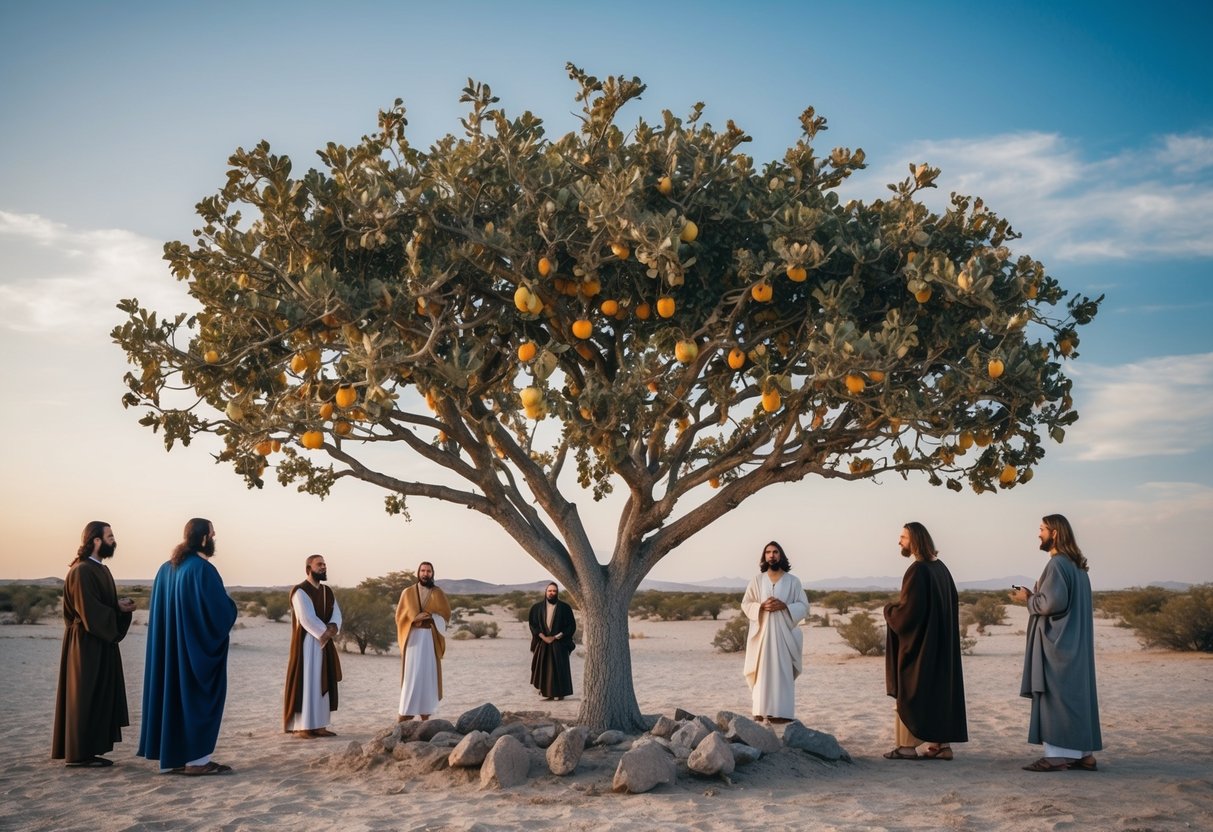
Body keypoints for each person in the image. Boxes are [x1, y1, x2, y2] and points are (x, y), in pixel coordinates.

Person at [137, 518, 238, 775]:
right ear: (204, 538)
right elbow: (219, 614)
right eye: (213, 534)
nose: (215, 539)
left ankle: (177, 757)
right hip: (193, 652)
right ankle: (197, 761)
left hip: (170, 653)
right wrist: (232, 607)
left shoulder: (165, 569)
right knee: (196, 699)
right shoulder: (203, 569)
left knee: (172, 697)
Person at [1010, 514, 1103, 772]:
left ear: (1056, 534)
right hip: (1075, 642)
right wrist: (1034, 595)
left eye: (1042, 529)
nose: (1038, 534)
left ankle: (1057, 756)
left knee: (1057, 696)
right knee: (1076, 696)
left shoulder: (1057, 564)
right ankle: (1084, 754)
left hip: (1059, 645)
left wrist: (1026, 599)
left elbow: (1051, 604)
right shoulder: (1077, 567)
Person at [52, 521, 137, 768]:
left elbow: (103, 606)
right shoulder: (81, 571)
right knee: (85, 695)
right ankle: (79, 754)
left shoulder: (100, 569)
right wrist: (115, 611)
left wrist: (119, 608)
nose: (114, 540)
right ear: (96, 541)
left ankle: (90, 750)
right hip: (85, 645)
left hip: (99, 642)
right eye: (109, 536)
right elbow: (89, 612)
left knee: (98, 695)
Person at [882, 522, 968, 760]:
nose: (899, 542)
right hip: (940, 645)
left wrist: (890, 610)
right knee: (938, 690)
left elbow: (909, 614)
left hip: (921, 647)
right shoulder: (941, 568)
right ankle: (942, 745)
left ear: (915, 540)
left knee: (911, 690)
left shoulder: (918, 570)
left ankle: (907, 747)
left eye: (903, 537)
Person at [741, 541, 809, 723]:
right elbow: (746, 604)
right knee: (761, 672)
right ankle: (760, 710)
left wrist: (786, 606)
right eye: (768, 552)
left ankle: (781, 713)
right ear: (764, 557)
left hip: (784, 637)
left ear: (781, 555)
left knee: (782, 672)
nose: (772, 555)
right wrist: (761, 606)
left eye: (775, 552)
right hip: (762, 636)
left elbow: (804, 605)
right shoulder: (757, 580)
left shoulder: (793, 581)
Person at [283, 554, 342, 738]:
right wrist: (324, 632)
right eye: (319, 565)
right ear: (308, 568)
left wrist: (333, 628)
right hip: (308, 643)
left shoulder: (327, 592)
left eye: (324, 564)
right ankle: (303, 727)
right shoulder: (299, 591)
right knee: (308, 681)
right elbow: (306, 618)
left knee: (322, 680)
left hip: (325, 642)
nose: (323, 567)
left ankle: (319, 725)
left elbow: (337, 614)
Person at [394, 561, 451, 721]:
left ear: (433, 573)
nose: (425, 574)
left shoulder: (438, 593)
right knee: (412, 675)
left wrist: (432, 616)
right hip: (412, 638)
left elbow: (446, 614)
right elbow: (399, 617)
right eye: (423, 571)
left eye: (429, 571)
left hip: (429, 639)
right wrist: (414, 618)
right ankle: (406, 713)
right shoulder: (407, 592)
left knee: (427, 675)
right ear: (418, 573)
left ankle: (426, 714)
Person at [528, 582, 577, 701]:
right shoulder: (537, 608)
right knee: (545, 668)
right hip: (543, 642)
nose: (552, 593)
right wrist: (543, 637)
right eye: (550, 591)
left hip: (559, 642)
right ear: (546, 592)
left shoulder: (565, 608)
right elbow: (533, 624)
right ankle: (548, 694)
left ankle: (561, 694)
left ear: (557, 593)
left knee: (560, 668)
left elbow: (571, 626)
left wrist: (556, 637)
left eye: (554, 591)